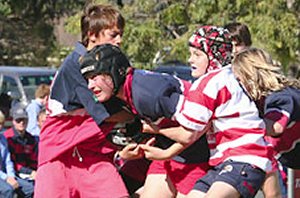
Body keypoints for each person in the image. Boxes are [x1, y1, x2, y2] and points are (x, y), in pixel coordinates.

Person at [142, 26, 274, 198]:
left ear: (213, 55)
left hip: (244, 159)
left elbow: (187, 134)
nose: (190, 60)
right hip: (225, 163)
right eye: (190, 54)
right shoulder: (229, 75)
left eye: (197, 54)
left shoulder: (209, 83)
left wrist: (153, 129)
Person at [80, 43, 211, 197]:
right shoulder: (124, 91)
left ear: (116, 71)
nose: (90, 85)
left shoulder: (147, 94)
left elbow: (198, 128)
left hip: (196, 157)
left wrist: (160, 140)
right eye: (88, 79)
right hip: (170, 155)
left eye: (95, 77)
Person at [34, 4, 138, 198]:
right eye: (113, 34)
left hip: (93, 153)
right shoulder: (77, 64)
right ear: (92, 34)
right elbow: (108, 114)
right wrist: (140, 117)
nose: (119, 40)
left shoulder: (109, 62)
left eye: (120, 34)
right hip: (60, 155)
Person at [232, 47, 300, 197]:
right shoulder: (265, 99)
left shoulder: (279, 96)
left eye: (238, 79)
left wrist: (242, 124)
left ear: (251, 76)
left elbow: (276, 126)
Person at [3, 103, 38, 181]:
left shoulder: (31, 139)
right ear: (13, 121)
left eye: (24, 120)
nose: (22, 123)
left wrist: (36, 171)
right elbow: (11, 162)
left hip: (29, 173)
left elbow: (34, 160)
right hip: (12, 174)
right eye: (18, 120)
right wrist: (30, 172)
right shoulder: (7, 137)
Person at [0, 133, 34, 198]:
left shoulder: (2, 138)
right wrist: (6, 178)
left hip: (6, 175)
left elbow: (8, 160)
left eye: (1, 124)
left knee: (30, 189)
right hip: (2, 176)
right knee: (7, 190)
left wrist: (11, 176)